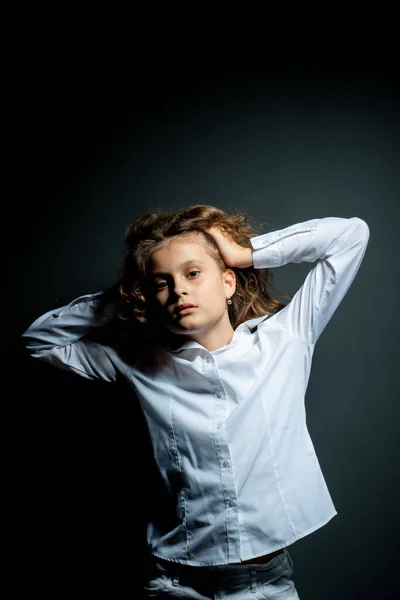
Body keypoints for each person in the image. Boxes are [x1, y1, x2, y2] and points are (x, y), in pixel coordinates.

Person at [22, 203, 370, 599]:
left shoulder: (284, 340)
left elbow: (350, 235)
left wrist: (246, 253)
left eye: (192, 273)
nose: (179, 289)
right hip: (173, 584)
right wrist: (128, 295)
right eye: (162, 283)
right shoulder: (137, 363)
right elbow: (38, 341)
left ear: (228, 282)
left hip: (262, 585)